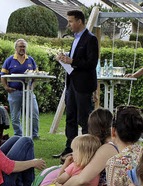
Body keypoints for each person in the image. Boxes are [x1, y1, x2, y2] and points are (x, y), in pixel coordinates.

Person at [54, 10, 99, 160]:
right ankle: (70, 149)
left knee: (84, 118)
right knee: (70, 117)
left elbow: (92, 63)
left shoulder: (90, 39)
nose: (68, 25)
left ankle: (87, 151)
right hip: (72, 83)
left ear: (79, 21)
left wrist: (72, 61)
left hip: (84, 85)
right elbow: (76, 60)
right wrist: (65, 58)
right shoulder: (75, 39)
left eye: (71, 21)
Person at [1, 39, 40, 139]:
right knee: (15, 116)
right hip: (14, 92)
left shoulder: (30, 60)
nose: (22, 48)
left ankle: (34, 134)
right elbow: (3, 76)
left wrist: (32, 87)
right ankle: (18, 134)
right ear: (16, 48)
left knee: (34, 113)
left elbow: (36, 75)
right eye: (20, 46)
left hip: (28, 91)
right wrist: (6, 87)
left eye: (24, 47)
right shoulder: (9, 60)